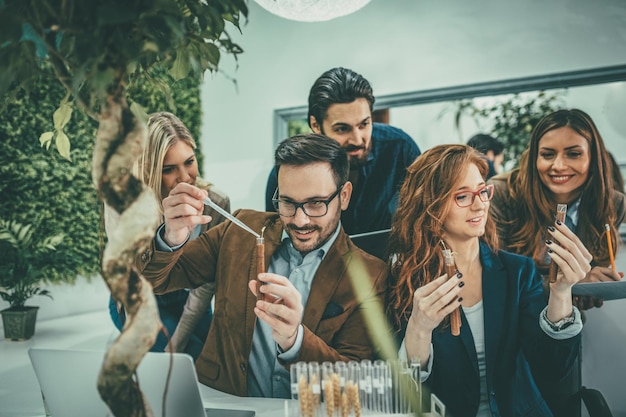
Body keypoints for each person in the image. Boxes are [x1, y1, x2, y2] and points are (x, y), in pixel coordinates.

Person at [139, 133, 388, 398]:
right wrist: (171, 237)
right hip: (225, 403)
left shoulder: (372, 276)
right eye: (288, 202)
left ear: (345, 195)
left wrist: (295, 340)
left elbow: (352, 380)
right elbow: (156, 281)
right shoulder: (240, 229)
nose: (300, 220)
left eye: (316, 203)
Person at [387, 144, 590, 417]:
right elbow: (405, 396)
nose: (479, 204)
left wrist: (562, 293)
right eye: (462, 196)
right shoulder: (404, 282)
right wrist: (419, 330)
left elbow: (552, 369)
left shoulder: (517, 271)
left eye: (482, 191)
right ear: (430, 206)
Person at [105, 111, 230, 360]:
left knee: (218, 359)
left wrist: (179, 338)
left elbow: (206, 282)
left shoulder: (216, 202)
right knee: (187, 360)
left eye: (190, 161)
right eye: (169, 169)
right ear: (148, 168)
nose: (184, 177)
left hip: (190, 298)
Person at [488, 109, 626, 310]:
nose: (559, 165)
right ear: (534, 157)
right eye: (547, 154)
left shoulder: (613, 203)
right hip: (511, 324)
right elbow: (496, 279)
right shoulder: (501, 195)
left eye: (573, 154)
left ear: (593, 158)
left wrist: (592, 286)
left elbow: (593, 269)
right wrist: (567, 285)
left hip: (565, 325)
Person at [265, 67, 421, 235]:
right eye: (342, 129)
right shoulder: (288, 173)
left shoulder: (399, 148)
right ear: (316, 125)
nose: (357, 139)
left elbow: (424, 215)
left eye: (364, 124)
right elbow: (275, 238)